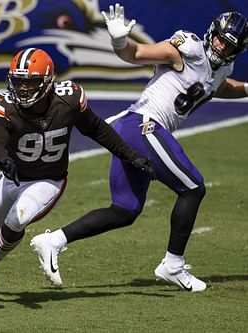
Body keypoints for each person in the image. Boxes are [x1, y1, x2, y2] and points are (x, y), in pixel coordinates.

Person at [30, 3, 248, 292]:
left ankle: (53, 240)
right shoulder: (190, 49)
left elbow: (219, 87)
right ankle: (173, 264)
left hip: (133, 131)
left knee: (125, 209)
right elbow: (136, 54)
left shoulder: (223, 68)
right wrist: (120, 40)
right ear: (211, 33)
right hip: (143, 125)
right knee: (193, 188)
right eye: (220, 38)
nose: (220, 47)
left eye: (229, 45)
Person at [0, 47, 155, 297]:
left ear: (47, 82)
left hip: (47, 179)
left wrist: (130, 154)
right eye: (18, 82)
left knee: (18, 218)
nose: (23, 89)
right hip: (11, 175)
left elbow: (97, 129)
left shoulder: (67, 100)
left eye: (31, 82)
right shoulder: (4, 105)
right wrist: (1, 159)